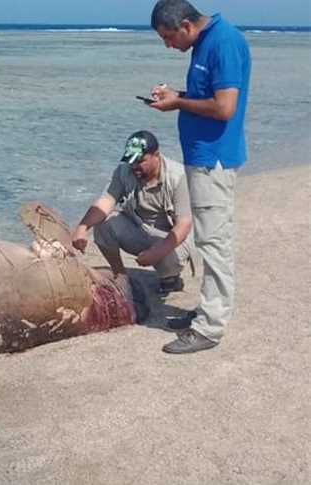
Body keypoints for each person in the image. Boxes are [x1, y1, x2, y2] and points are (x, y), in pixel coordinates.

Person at [148, 0, 251, 353]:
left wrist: (178, 103)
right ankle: (208, 310)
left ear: (187, 26)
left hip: (214, 159)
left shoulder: (222, 42)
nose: (168, 45)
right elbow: (209, 96)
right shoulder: (206, 42)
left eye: (168, 37)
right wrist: (178, 95)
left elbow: (224, 107)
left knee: (214, 242)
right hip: (204, 157)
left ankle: (210, 327)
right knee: (211, 238)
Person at [72, 131, 194, 296]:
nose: (134, 166)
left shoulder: (178, 177)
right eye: (131, 161)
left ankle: (170, 279)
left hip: (172, 237)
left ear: (156, 155)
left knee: (168, 262)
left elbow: (184, 225)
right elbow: (106, 201)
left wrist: (156, 253)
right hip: (140, 227)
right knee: (104, 224)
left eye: (140, 161)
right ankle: (120, 275)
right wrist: (82, 227)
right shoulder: (124, 171)